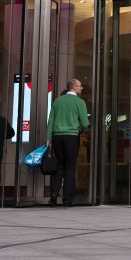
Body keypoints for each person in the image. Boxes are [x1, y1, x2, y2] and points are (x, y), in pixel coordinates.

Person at [46, 79, 89, 207]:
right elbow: (85, 123)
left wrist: (49, 138)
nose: (82, 88)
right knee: (70, 168)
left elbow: (51, 120)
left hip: (57, 137)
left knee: (60, 165)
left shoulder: (58, 101)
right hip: (71, 136)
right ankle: (67, 199)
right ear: (74, 87)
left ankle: (53, 194)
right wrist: (82, 130)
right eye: (80, 86)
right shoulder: (80, 102)